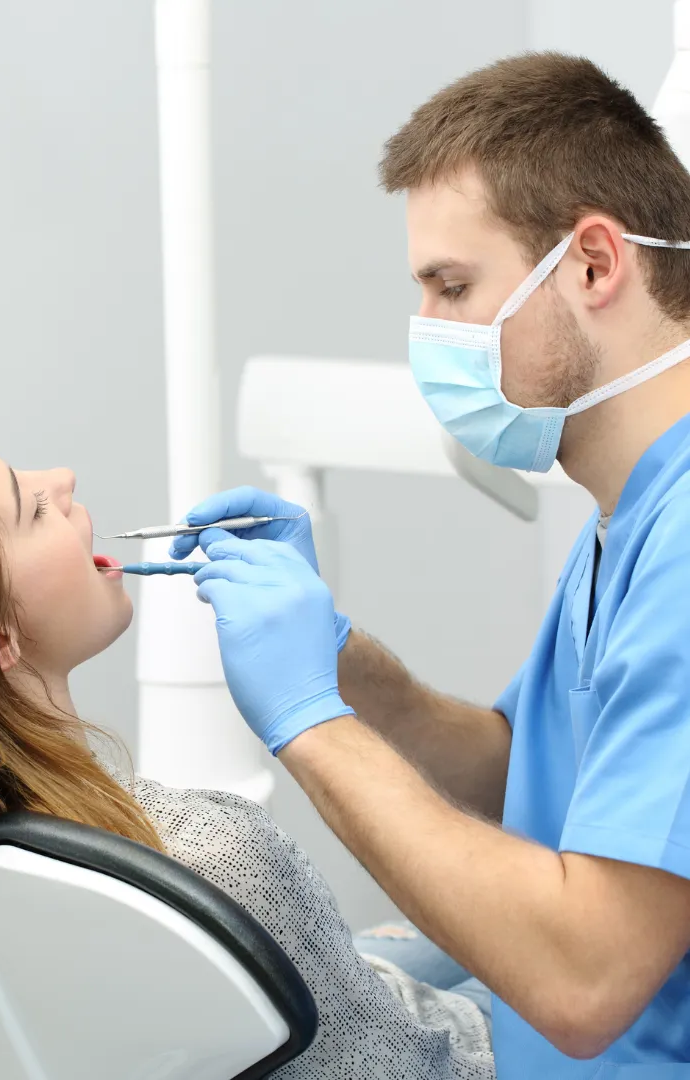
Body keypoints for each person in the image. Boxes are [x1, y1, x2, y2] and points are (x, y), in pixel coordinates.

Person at [0, 418, 493, 1079]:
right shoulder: (210, 861)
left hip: (330, 998)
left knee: (396, 946)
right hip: (420, 1046)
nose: (63, 478)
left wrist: (336, 647)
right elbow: (430, 1066)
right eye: (31, 508)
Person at [171, 53, 690, 1077]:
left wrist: (311, 725)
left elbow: (588, 979)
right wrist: (351, 666)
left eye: (453, 287)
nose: (430, 335)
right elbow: (541, 774)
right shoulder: (629, 516)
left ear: (592, 264)